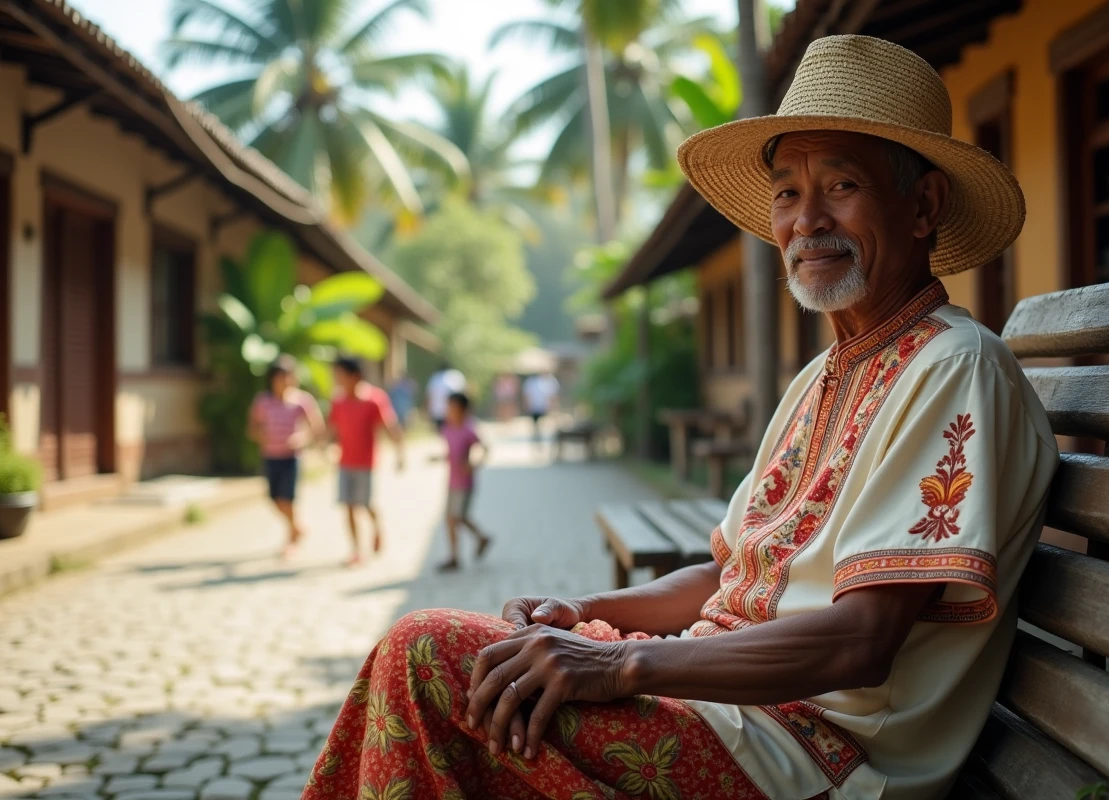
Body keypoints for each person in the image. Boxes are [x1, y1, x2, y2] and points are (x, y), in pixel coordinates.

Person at [302, 36, 1059, 800]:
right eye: (788, 193)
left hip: (813, 753)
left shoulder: (954, 368)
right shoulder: (822, 378)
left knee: (425, 654)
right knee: (478, 670)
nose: (806, 221)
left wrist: (622, 661)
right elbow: (728, 576)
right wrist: (587, 614)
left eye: (842, 184)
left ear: (923, 205)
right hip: (728, 707)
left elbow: (862, 641)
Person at [327, 356, 404, 566]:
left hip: (366, 462)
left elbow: (390, 426)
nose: (337, 379)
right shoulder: (338, 401)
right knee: (348, 505)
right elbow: (331, 430)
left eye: (340, 374)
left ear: (354, 375)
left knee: (366, 503)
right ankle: (356, 550)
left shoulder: (374, 399)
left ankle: (377, 529)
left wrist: (400, 453)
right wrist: (326, 447)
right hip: (345, 462)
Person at [246, 356, 323, 559]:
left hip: (291, 458)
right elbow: (252, 427)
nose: (284, 381)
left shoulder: (302, 400)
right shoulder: (263, 401)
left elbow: (316, 427)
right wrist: (260, 435)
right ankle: (297, 527)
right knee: (274, 498)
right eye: (280, 377)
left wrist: (302, 438)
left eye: (288, 377)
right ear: (272, 379)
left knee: (288, 498)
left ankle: (291, 540)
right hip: (271, 456)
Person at [436, 392, 493, 573]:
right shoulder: (447, 428)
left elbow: (485, 448)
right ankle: (457, 554)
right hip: (452, 482)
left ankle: (458, 554)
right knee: (453, 519)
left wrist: (473, 464)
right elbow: (451, 452)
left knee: (457, 517)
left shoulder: (469, 429)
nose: (450, 411)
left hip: (466, 483)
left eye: (453, 408)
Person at [522, 371, 559, 445]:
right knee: (536, 425)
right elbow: (528, 395)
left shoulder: (551, 381)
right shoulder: (531, 382)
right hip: (535, 407)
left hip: (544, 407)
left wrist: (552, 407)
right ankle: (537, 438)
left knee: (544, 424)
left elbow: (553, 396)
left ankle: (541, 438)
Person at [426, 363, 466, 430]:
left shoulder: (435, 379)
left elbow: (429, 396)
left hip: (437, 411)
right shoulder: (455, 377)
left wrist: (428, 410)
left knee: (442, 432)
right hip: (452, 412)